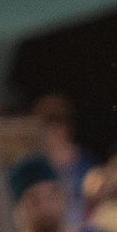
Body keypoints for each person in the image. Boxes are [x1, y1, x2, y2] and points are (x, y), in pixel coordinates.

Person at [34, 94, 93, 224]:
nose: (53, 128)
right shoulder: (34, 164)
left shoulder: (86, 161)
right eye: (47, 122)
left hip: (81, 228)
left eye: (60, 120)